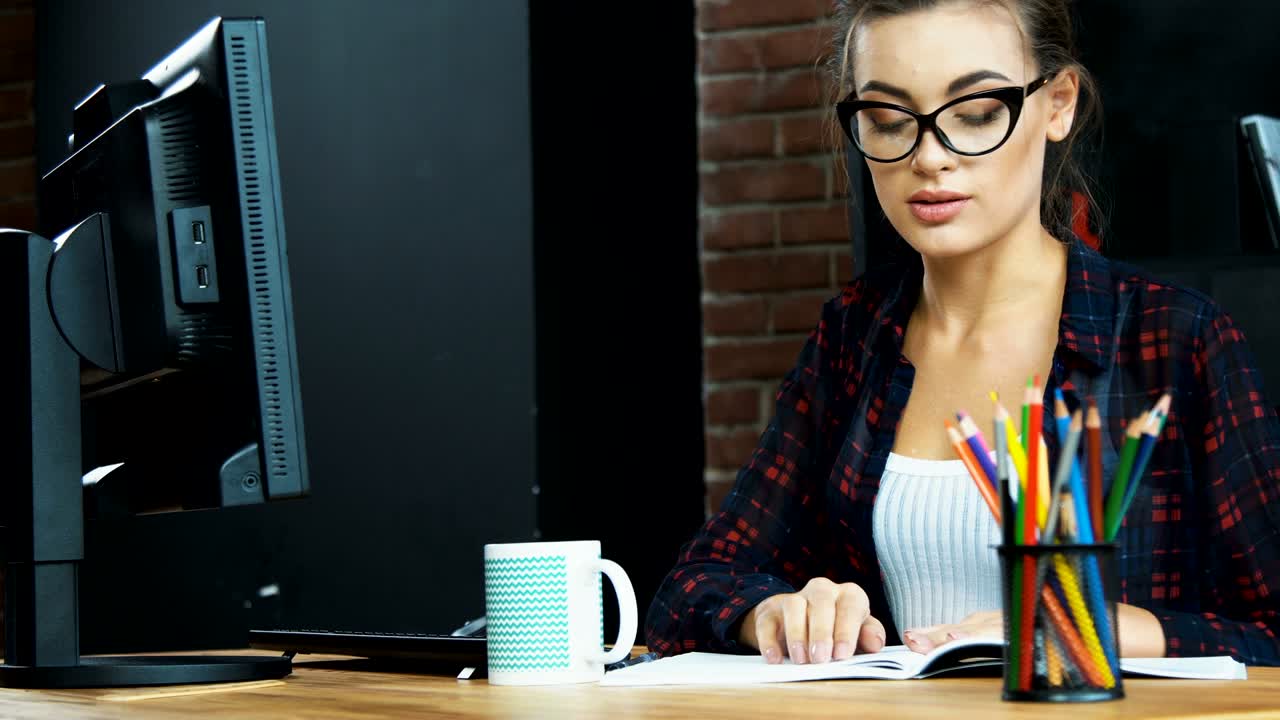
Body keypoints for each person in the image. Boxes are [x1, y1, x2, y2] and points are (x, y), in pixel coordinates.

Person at [646, 0, 1280, 666]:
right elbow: (691, 590)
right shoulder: (851, 341)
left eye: (976, 114)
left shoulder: (1173, 341)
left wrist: (1107, 629)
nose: (928, 157)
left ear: (1058, 104)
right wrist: (773, 613)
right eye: (888, 121)